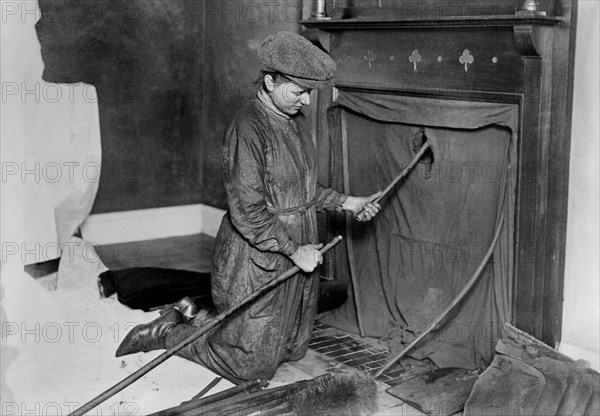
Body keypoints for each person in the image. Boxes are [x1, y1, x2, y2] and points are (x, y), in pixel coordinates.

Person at [116, 31, 381, 382]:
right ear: (270, 82)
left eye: (310, 93)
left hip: (296, 247)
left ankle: (194, 314)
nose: (305, 101)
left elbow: (301, 191)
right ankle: (169, 333)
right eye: (298, 91)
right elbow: (248, 211)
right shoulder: (248, 128)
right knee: (247, 367)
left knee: (292, 348)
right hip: (257, 256)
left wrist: (349, 203)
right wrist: (294, 250)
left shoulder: (296, 125)